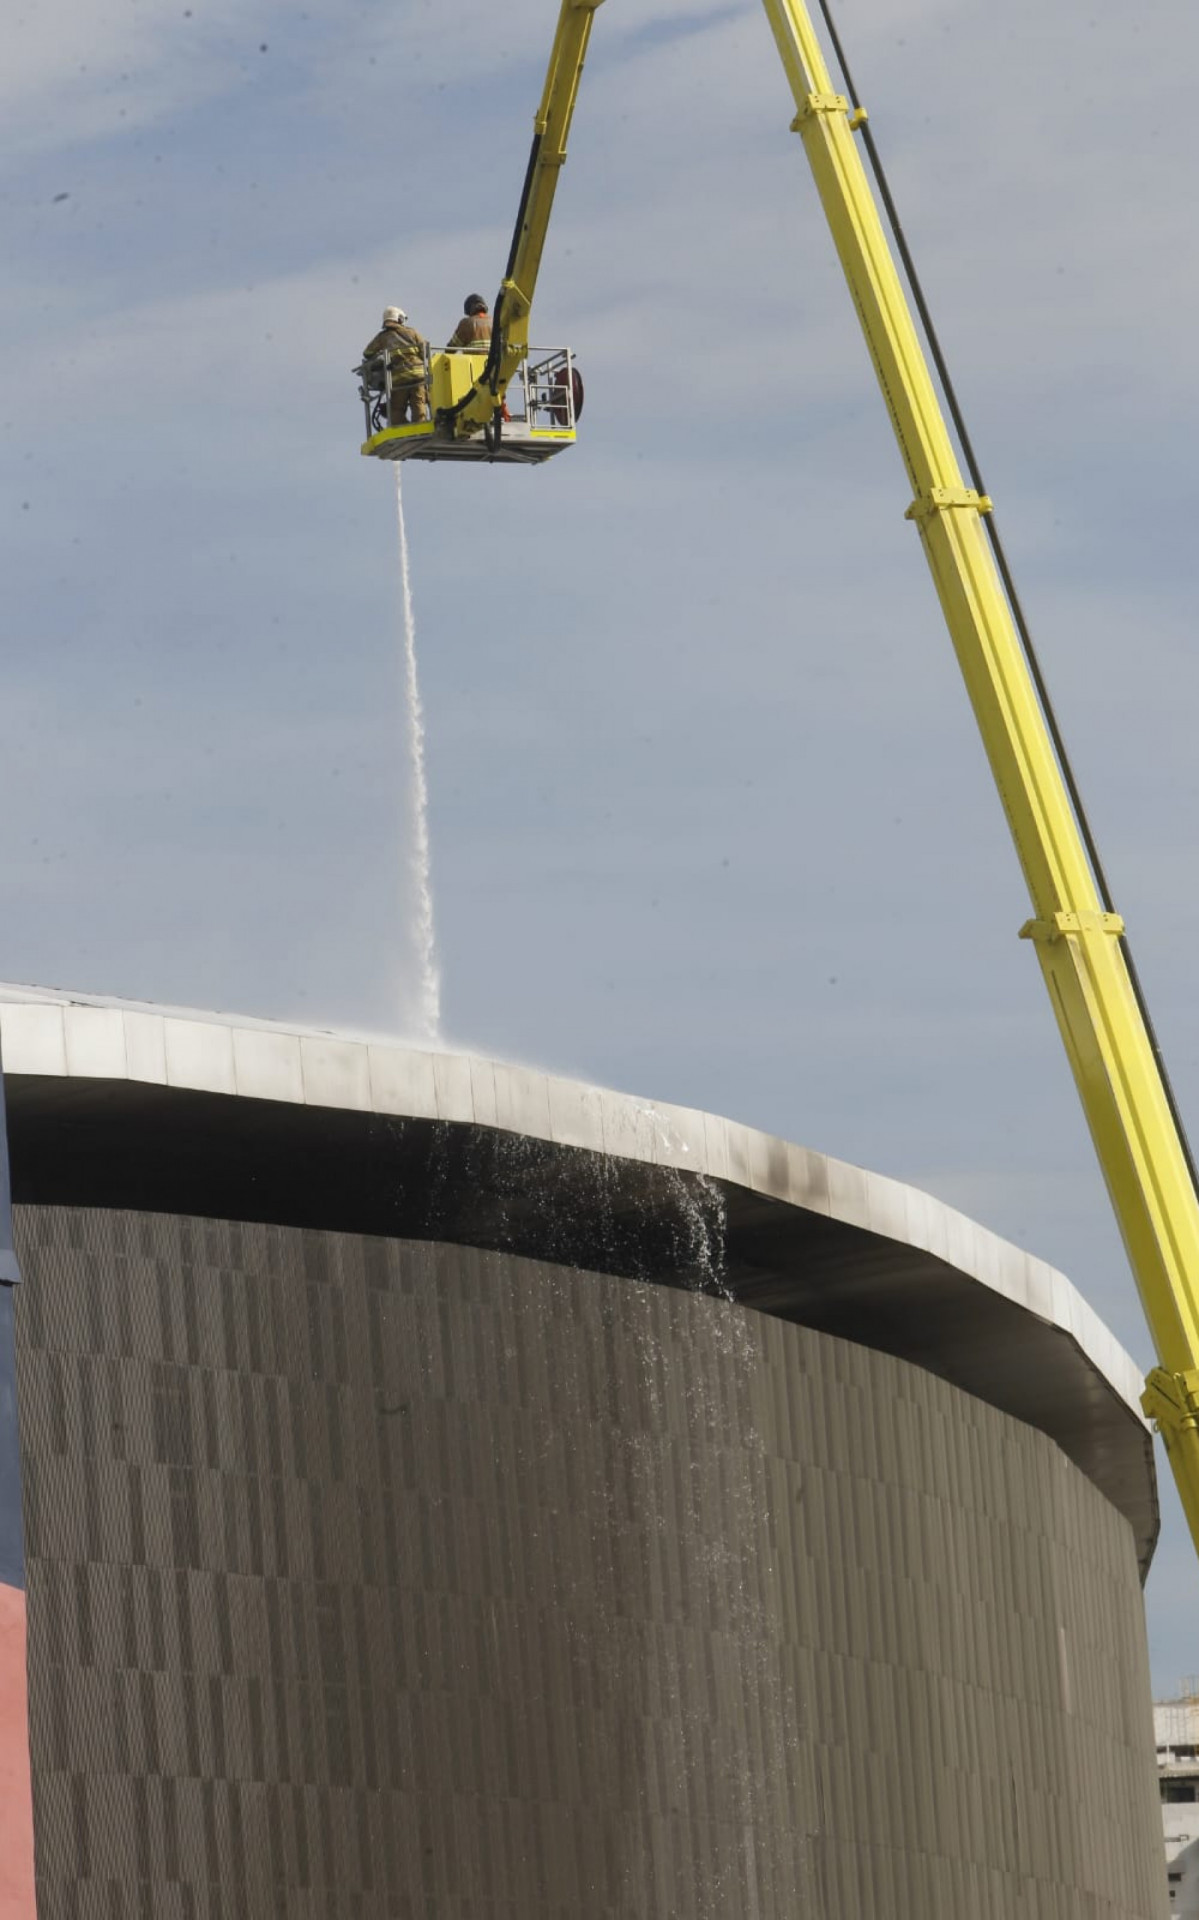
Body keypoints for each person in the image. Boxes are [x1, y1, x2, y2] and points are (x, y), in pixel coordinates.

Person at [360, 306, 429, 425]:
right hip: (418, 375)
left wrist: (381, 355)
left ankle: (403, 428)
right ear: (400, 319)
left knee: (396, 408)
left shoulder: (382, 337)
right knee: (418, 404)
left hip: (398, 378)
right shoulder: (412, 332)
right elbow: (425, 352)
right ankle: (419, 428)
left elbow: (367, 353)